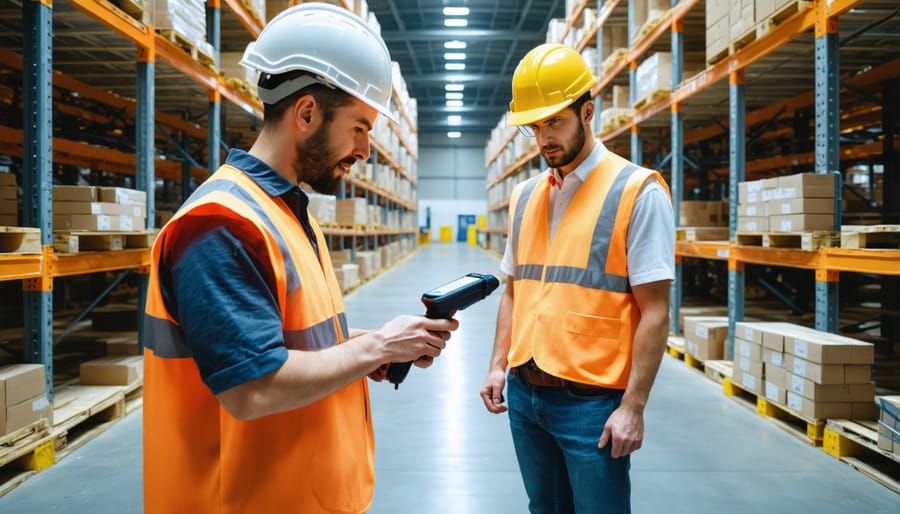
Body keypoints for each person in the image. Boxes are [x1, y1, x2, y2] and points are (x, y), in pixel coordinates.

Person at [142, 5, 458, 513]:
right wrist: (376, 346)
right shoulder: (222, 224)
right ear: (307, 113)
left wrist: (378, 348)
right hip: (242, 500)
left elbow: (290, 339)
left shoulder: (287, 211)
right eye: (359, 127)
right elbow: (253, 388)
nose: (366, 150)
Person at [480, 43, 675, 514]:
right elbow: (514, 289)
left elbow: (656, 310)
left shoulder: (638, 192)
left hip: (591, 404)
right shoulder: (525, 196)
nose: (543, 138)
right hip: (525, 396)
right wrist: (497, 365)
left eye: (554, 122)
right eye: (534, 126)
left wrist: (633, 406)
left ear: (587, 112)